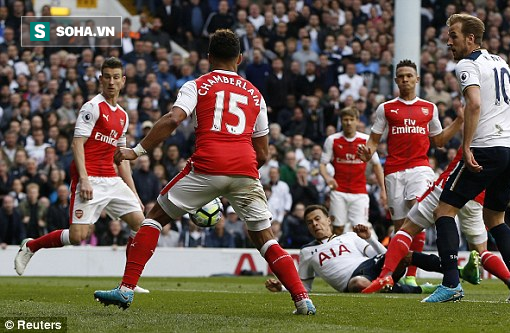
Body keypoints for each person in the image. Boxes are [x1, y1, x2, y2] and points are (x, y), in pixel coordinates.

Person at [93, 30, 316, 315]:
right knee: (266, 238)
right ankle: (302, 299)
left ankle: (125, 290)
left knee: (155, 219)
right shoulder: (255, 94)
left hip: (207, 165)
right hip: (246, 170)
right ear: (240, 58)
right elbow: (263, 154)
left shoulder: (198, 85)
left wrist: (136, 151)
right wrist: (239, 178)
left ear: (208, 57)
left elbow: (174, 118)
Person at [369, 14, 510, 303]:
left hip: (486, 147)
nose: (448, 41)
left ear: (470, 39)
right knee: (496, 218)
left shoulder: (467, 64)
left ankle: (452, 283)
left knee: (444, 210)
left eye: (453, 35)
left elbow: (475, 103)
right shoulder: (501, 63)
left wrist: (467, 146)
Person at [13, 57, 149, 294]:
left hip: (112, 179)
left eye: (116, 77)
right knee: (78, 236)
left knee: (142, 224)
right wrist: (84, 178)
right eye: (107, 77)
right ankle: (31, 246)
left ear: (123, 81)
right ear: (100, 79)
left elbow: (121, 157)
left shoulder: (123, 116)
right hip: (90, 179)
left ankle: (129, 281)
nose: (111, 82)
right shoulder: (92, 107)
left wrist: (134, 193)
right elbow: (77, 144)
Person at [361, 147, 510, 297]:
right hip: (477, 196)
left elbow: (449, 135)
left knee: (408, 228)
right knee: (482, 250)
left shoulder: (478, 125)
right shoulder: (505, 134)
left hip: (451, 185)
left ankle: (386, 275)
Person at [357, 59, 463, 287]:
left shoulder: (429, 108)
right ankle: (397, 277)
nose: (405, 79)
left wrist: (459, 121)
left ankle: (413, 275)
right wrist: (368, 153)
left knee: (419, 212)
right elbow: (373, 141)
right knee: (402, 229)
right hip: (394, 172)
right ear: (396, 80)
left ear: (416, 79)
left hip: (420, 168)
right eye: (401, 76)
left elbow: (439, 141)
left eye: (409, 76)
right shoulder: (385, 108)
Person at [265, 205, 477, 294]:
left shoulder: (349, 236)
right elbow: (305, 286)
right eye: (310, 222)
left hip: (370, 265)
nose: (315, 224)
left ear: (329, 220)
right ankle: (424, 289)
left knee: (403, 255)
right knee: (359, 283)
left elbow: (380, 255)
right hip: (353, 280)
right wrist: (283, 288)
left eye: (318, 219)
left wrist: (370, 237)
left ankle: (457, 273)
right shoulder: (306, 252)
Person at [320, 106, 385, 236]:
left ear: (357, 121)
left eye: (351, 119)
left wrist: (383, 189)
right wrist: (327, 178)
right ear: (341, 121)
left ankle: (360, 256)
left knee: (360, 230)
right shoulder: (332, 140)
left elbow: (377, 165)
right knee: (337, 229)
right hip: (338, 191)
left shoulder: (366, 140)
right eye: (345, 119)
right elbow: (322, 164)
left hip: (359, 192)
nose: (348, 122)